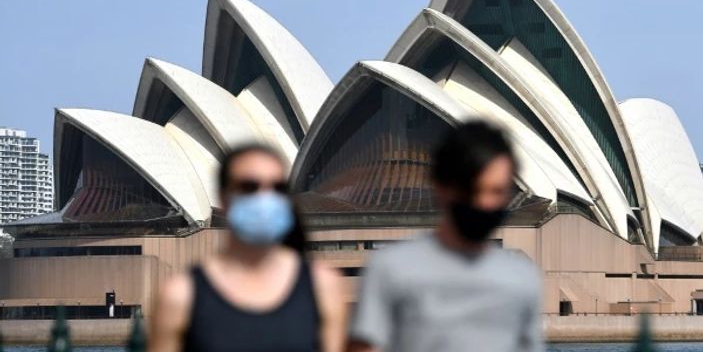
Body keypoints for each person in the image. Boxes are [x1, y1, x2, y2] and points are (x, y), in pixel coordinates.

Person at [348, 121, 544, 352]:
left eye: (496, 191)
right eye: (474, 190)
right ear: (442, 187)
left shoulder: (522, 277)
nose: (484, 203)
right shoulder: (391, 269)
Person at [149, 144, 346, 352]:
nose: (264, 199)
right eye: (249, 187)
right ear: (223, 198)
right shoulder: (181, 296)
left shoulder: (322, 287)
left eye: (277, 188)